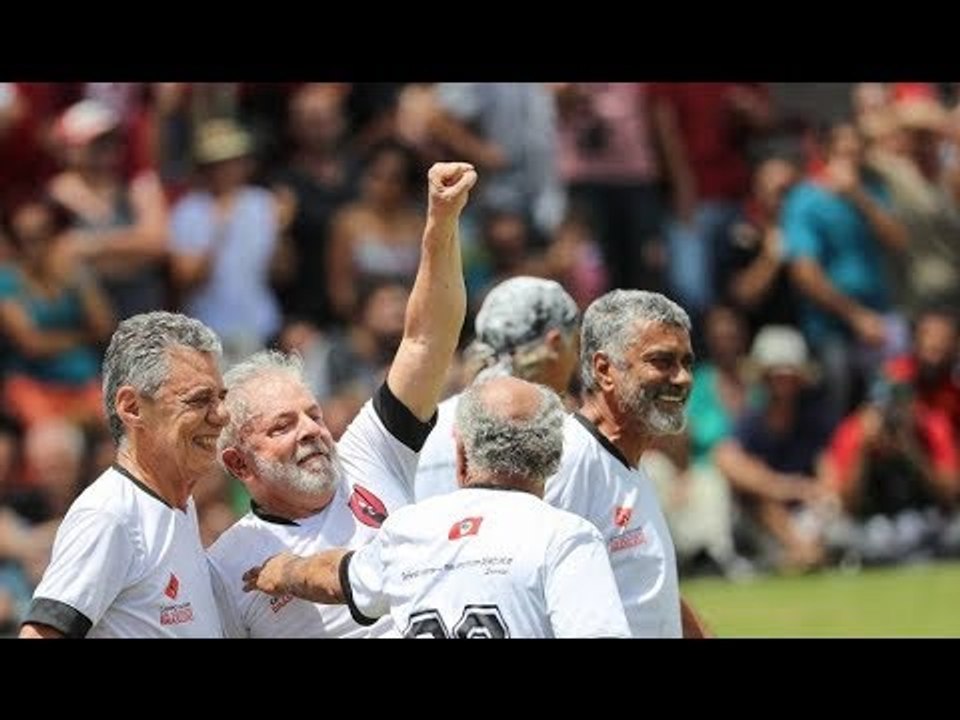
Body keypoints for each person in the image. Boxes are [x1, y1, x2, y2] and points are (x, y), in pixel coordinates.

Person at [206, 162, 476, 637]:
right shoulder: (225, 569)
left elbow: (426, 340)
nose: (311, 429)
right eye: (282, 426)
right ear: (238, 462)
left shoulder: (370, 455)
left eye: (312, 414)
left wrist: (440, 222)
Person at [243, 376, 630, 639]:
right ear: (552, 458)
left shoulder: (410, 530)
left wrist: (284, 571)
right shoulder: (566, 537)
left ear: (461, 454)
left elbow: (333, 577)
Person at [19, 311, 228, 638]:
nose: (222, 415)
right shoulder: (109, 516)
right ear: (132, 407)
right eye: (199, 400)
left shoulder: (175, 504)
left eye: (221, 397)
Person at [545, 289, 711, 638]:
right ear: (604, 370)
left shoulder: (630, 459)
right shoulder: (572, 460)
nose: (682, 378)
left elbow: (646, 590)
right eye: (662, 361)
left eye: (686, 362)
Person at [415, 275, 580, 501]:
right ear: (555, 344)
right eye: (575, 345)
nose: (576, 360)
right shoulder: (556, 436)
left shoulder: (427, 426)